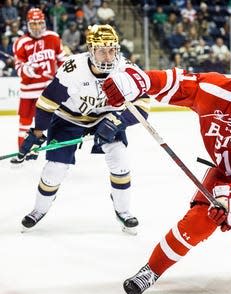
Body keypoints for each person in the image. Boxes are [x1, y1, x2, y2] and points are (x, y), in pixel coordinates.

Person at [101, 47, 231, 294]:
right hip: (226, 170)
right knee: (197, 224)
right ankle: (151, 270)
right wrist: (139, 80)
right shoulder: (215, 90)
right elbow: (176, 82)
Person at [18, 24, 150, 235]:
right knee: (55, 169)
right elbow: (47, 102)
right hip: (70, 119)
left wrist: (118, 122)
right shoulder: (73, 69)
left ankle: (123, 211)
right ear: (90, 49)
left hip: (106, 118)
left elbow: (143, 107)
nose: (108, 56)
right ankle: (38, 210)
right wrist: (37, 132)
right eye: (101, 50)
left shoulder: (124, 68)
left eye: (112, 50)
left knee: (120, 160)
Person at [10, 8, 65, 163]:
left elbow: (62, 61)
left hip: (49, 90)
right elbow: (19, 67)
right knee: (24, 123)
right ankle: (23, 152)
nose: (37, 27)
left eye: (40, 23)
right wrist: (27, 70)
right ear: (28, 24)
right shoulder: (21, 42)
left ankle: (55, 151)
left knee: (55, 121)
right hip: (29, 91)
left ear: (44, 23)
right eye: (33, 24)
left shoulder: (53, 38)